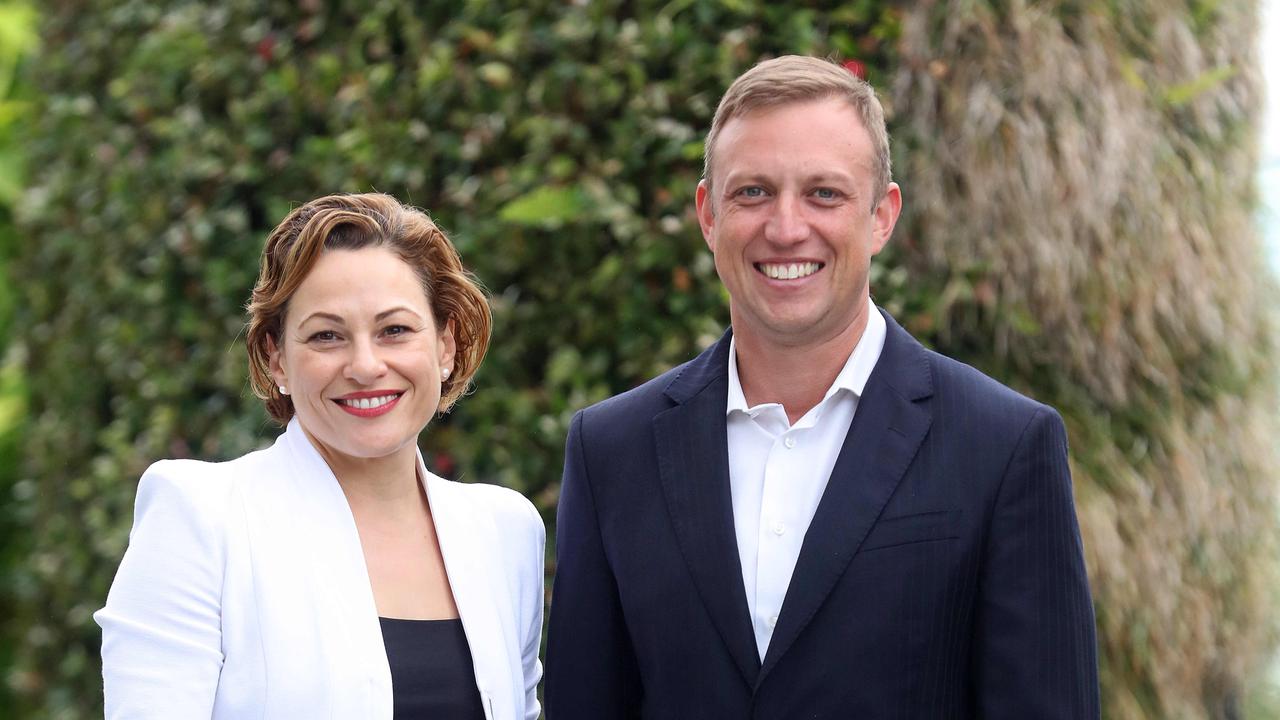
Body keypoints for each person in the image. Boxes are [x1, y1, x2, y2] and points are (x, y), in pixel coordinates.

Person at [545, 56, 1100, 718]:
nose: (785, 228)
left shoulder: (1004, 445)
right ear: (707, 215)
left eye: (824, 194)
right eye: (751, 192)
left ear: (881, 217)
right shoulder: (611, 450)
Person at [95, 193, 544, 719]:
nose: (365, 365)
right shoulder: (204, 517)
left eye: (394, 330)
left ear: (445, 345)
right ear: (276, 357)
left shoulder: (506, 532)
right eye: (327, 336)